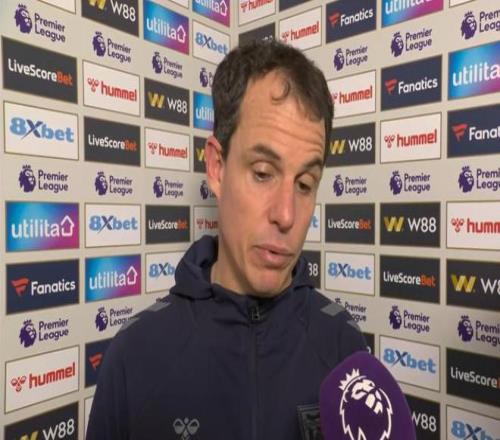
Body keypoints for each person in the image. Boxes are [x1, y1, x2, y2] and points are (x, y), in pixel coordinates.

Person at [86, 40, 367, 440]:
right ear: (217, 167)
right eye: (263, 173)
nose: (286, 215)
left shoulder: (343, 348)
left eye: (305, 183)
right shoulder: (135, 355)